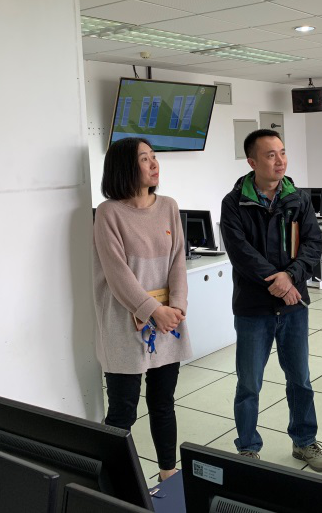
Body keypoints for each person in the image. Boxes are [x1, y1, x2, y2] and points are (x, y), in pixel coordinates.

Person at [219, 129, 322, 472]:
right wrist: (279, 282)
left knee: (300, 378)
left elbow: (313, 243)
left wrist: (290, 276)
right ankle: (248, 446)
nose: (280, 160)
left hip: (294, 306)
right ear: (252, 162)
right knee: (249, 382)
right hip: (253, 307)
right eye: (271, 155)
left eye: (282, 152)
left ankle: (304, 441)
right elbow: (241, 253)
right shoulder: (234, 203)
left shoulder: (298, 199)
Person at [93, 137, 192, 482]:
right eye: (144, 159)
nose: (154, 164)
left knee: (163, 403)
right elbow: (117, 273)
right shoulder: (109, 213)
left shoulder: (168, 206)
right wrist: (153, 310)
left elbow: (178, 260)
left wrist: (177, 306)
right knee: (123, 411)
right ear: (124, 167)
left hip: (167, 322)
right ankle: (112, 482)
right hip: (125, 322)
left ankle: (168, 474)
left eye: (154, 157)